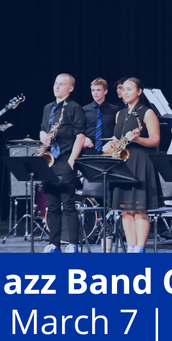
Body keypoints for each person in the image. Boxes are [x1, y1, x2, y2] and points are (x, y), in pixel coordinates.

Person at [108, 78, 161, 253]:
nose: (125, 92)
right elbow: (118, 137)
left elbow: (155, 140)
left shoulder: (147, 113)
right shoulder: (120, 114)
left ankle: (140, 248)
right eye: (123, 89)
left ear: (139, 92)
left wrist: (137, 139)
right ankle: (131, 247)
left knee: (139, 209)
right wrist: (111, 145)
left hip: (140, 162)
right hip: (123, 163)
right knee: (125, 210)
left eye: (129, 89)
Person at [40, 73, 87, 253]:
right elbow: (43, 130)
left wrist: (72, 161)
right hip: (49, 161)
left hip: (67, 159)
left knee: (68, 205)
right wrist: (43, 136)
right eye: (55, 83)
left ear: (70, 88)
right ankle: (55, 244)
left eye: (61, 84)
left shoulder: (75, 108)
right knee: (52, 206)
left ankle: (73, 244)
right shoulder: (48, 108)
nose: (57, 87)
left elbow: (80, 136)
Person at [82, 78, 120, 155]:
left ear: (105, 91)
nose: (95, 93)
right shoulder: (84, 110)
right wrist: (84, 139)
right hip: (89, 149)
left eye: (98, 90)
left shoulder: (115, 109)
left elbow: (118, 129)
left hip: (109, 149)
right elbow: (80, 129)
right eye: (93, 90)